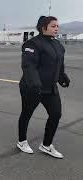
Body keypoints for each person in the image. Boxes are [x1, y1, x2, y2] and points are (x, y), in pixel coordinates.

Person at [17, 16, 70, 159]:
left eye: (57, 26)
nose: (56, 28)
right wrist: (34, 83)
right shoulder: (32, 44)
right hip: (32, 87)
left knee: (56, 114)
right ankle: (22, 141)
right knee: (26, 114)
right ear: (43, 27)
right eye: (53, 26)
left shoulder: (58, 45)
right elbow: (29, 66)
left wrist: (62, 76)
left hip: (50, 89)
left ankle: (46, 145)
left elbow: (59, 64)